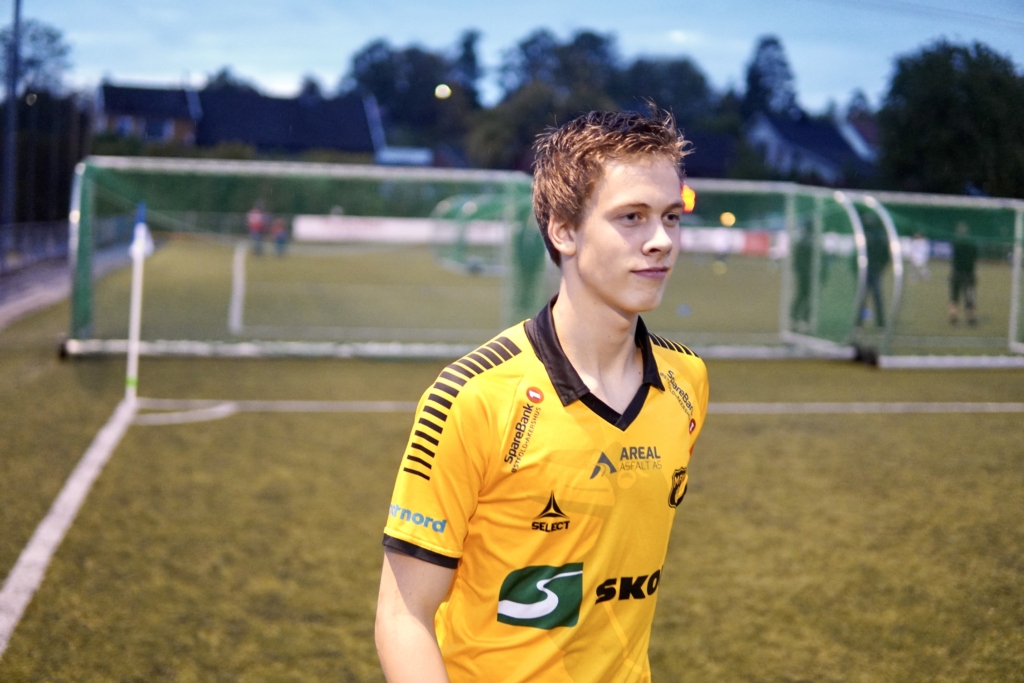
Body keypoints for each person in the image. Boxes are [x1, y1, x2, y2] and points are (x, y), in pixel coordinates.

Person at [375, 109, 710, 683]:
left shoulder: (687, 382)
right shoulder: (474, 396)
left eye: (670, 217)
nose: (661, 241)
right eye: (632, 217)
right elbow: (404, 615)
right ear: (564, 231)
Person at [949, 221, 979, 325]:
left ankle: (953, 316)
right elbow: (974, 258)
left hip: (957, 272)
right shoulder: (972, 245)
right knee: (969, 296)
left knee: (955, 296)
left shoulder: (955, 244)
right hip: (968, 273)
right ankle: (970, 317)